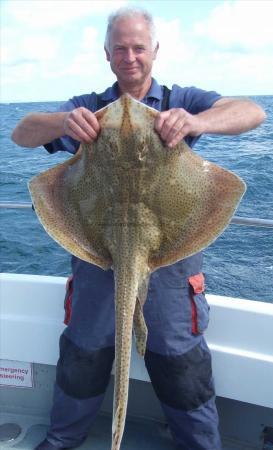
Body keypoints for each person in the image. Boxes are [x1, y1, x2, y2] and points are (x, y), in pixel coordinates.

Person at [12, 7, 266, 450]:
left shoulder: (180, 100)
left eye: (138, 47)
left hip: (170, 260)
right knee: (83, 354)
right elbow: (22, 132)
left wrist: (196, 121)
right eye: (120, 49)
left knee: (180, 361)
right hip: (97, 253)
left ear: (154, 52)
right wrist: (62, 122)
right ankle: (61, 440)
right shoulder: (86, 108)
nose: (130, 56)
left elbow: (251, 113)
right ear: (107, 55)